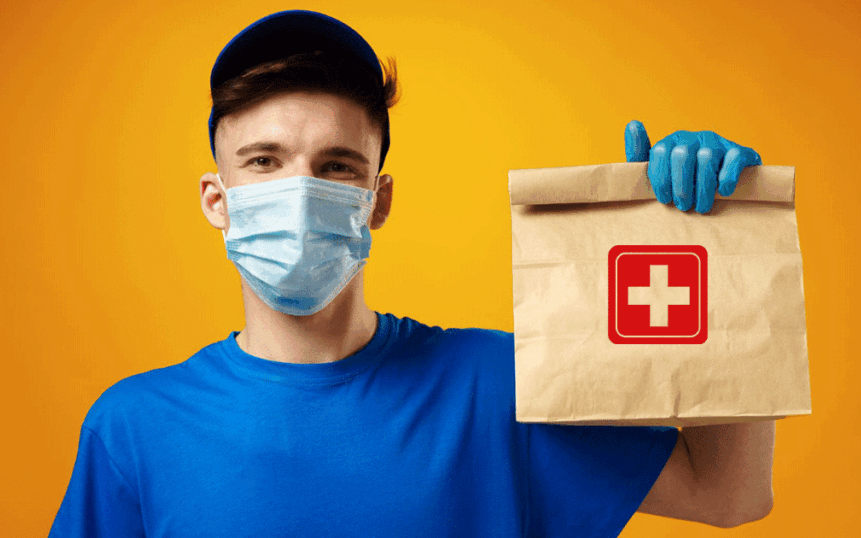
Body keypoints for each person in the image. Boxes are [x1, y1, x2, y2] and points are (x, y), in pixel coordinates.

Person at [48, 10, 774, 537]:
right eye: (264, 162)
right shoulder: (133, 428)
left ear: (377, 200)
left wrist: (716, 245)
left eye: (336, 167)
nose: (300, 190)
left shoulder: (497, 386)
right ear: (218, 199)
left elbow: (727, 491)